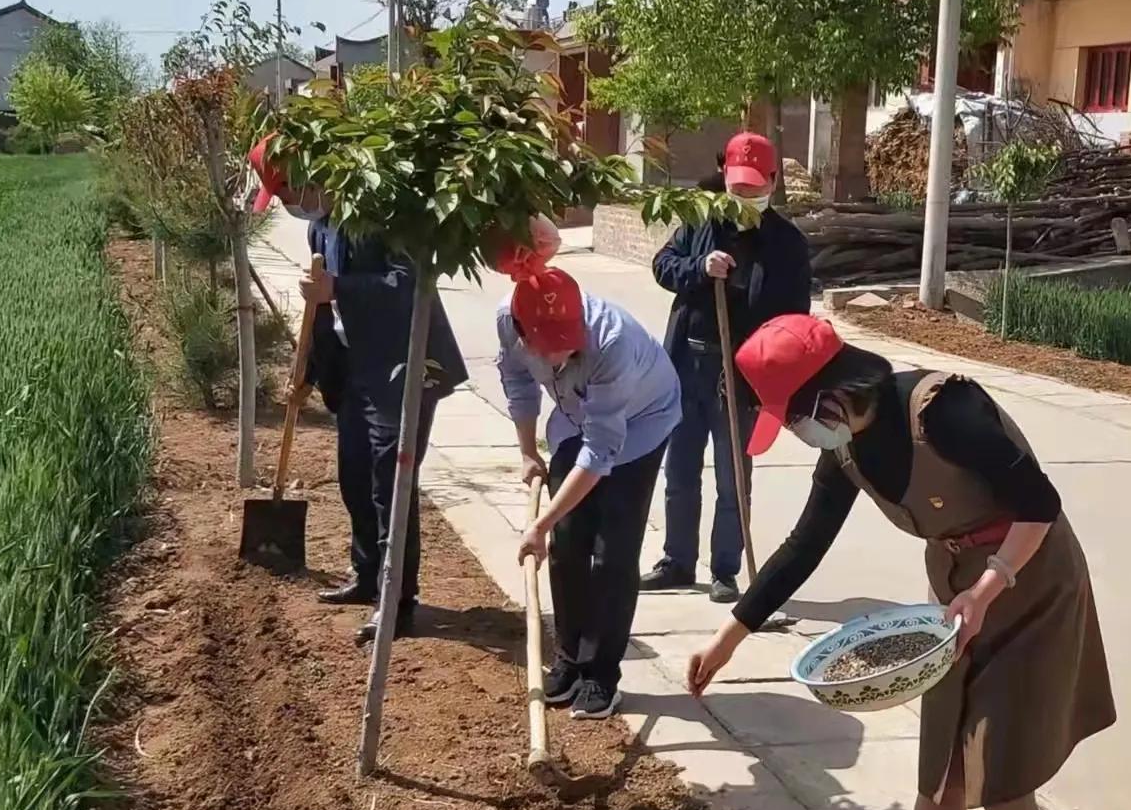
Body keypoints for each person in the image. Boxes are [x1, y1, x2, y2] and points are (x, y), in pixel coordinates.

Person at [685, 314, 1116, 810]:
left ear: (828, 398)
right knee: (938, 778)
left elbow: (1039, 501)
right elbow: (803, 546)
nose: (798, 435)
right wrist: (727, 639)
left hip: (1030, 581)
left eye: (793, 419)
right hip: (954, 595)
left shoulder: (944, 410)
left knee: (1002, 780)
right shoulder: (849, 450)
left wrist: (988, 585)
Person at [249, 139, 469, 644]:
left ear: (310, 175)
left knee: (391, 485)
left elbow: (408, 286)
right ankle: (368, 575)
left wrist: (339, 290)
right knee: (353, 476)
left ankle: (398, 604)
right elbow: (319, 311)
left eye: (285, 192)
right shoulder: (318, 226)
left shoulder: (379, 216)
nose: (285, 204)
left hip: (404, 366)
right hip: (353, 369)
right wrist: (306, 368)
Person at [494, 256, 682, 720]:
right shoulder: (507, 318)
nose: (560, 356)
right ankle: (569, 661)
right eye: (548, 347)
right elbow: (518, 382)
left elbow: (601, 452)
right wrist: (526, 452)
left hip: (640, 423)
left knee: (612, 552)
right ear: (522, 333)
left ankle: (602, 675)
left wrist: (540, 522)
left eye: (568, 344)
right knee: (567, 545)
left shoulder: (611, 343)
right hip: (573, 419)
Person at [642, 132, 814, 603]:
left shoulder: (787, 245)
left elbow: (796, 323)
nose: (743, 198)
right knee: (679, 470)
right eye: (737, 189)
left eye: (754, 190)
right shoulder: (701, 222)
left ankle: (724, 569)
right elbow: (663, 266)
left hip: (739, 378)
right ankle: (677, 560)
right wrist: (699, 267)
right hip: (685, 367)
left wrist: (773, 380)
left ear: (773, 183)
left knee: (732, 480)